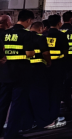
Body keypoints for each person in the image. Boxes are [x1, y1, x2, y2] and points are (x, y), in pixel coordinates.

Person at [1, 10, 36, 138]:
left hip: (5, 73)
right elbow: (29, 54)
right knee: (17, 104)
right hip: (21, 74)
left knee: (2, 103)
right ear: (28, 20)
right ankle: (11, 133)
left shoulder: (5, 33)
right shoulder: (27, 35)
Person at [44, 14, 70, 129]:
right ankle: (53, 117)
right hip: (58, 67)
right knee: (56, 93)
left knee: (46, 92)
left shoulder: (44, 34)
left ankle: (45, 115)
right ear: (59, 23)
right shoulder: (61, 35)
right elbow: (65, 51)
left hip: (45, 67)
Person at [27, 21, 52, 129]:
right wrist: (49, 62)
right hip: (38, 69)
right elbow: (45, 53)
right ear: (41, 29)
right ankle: (43, 121)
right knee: (40, 95)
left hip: (24, 69)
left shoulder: (24, 37)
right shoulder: (40, 38)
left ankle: (28, 122)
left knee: (26, 96)